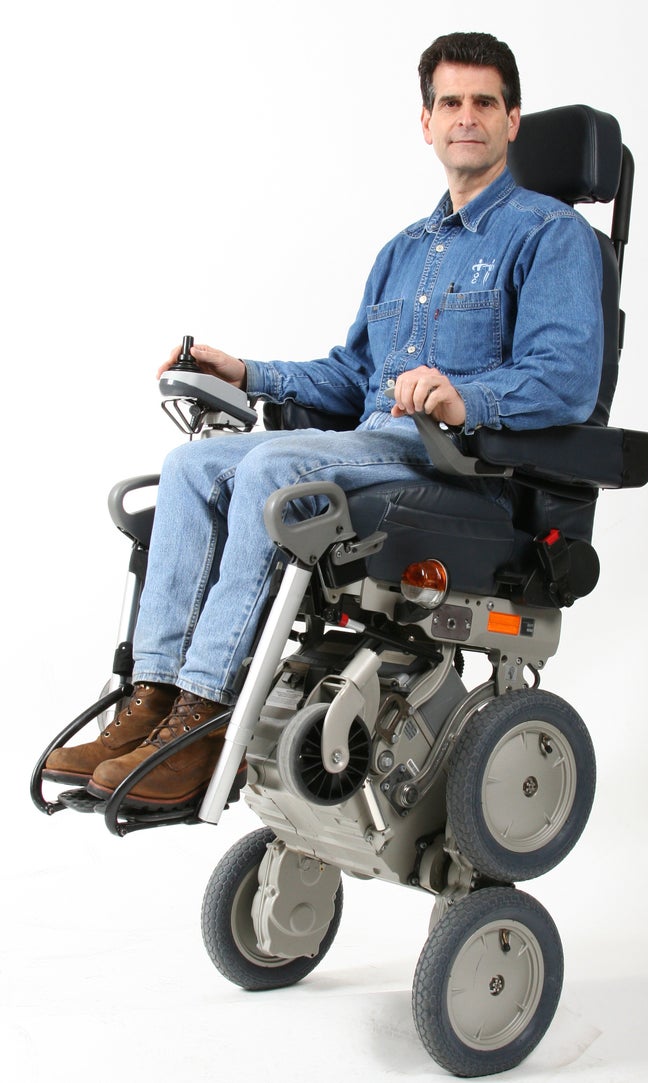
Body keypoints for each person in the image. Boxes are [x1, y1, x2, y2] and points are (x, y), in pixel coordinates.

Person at [43, 31, 604, 811]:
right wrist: (246, 372)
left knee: (274, 469)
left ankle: (205, 721)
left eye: (484, 102)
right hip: (369, 444)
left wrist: (464, 398)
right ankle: (152, 698)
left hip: (460, 468)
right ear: (427, 122)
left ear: (514, 119)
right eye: (450, 102)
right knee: (193, 465)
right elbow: (351, 376)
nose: (466, 117)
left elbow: (566, 379)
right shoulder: (403, 251)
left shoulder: (552, 236)